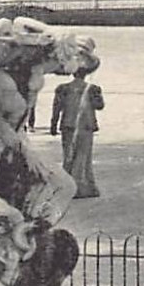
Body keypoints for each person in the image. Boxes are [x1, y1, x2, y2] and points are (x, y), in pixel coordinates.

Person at [49, 65, 104, 198]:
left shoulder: (63, 88)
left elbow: (57, 108)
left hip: (68, 126)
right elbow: (100, 106)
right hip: (86, 126)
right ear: (85, 74)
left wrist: (53, 125)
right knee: (83, 157)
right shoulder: (92, 89)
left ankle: (67, 188)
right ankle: (84, 187)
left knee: (68, 157)